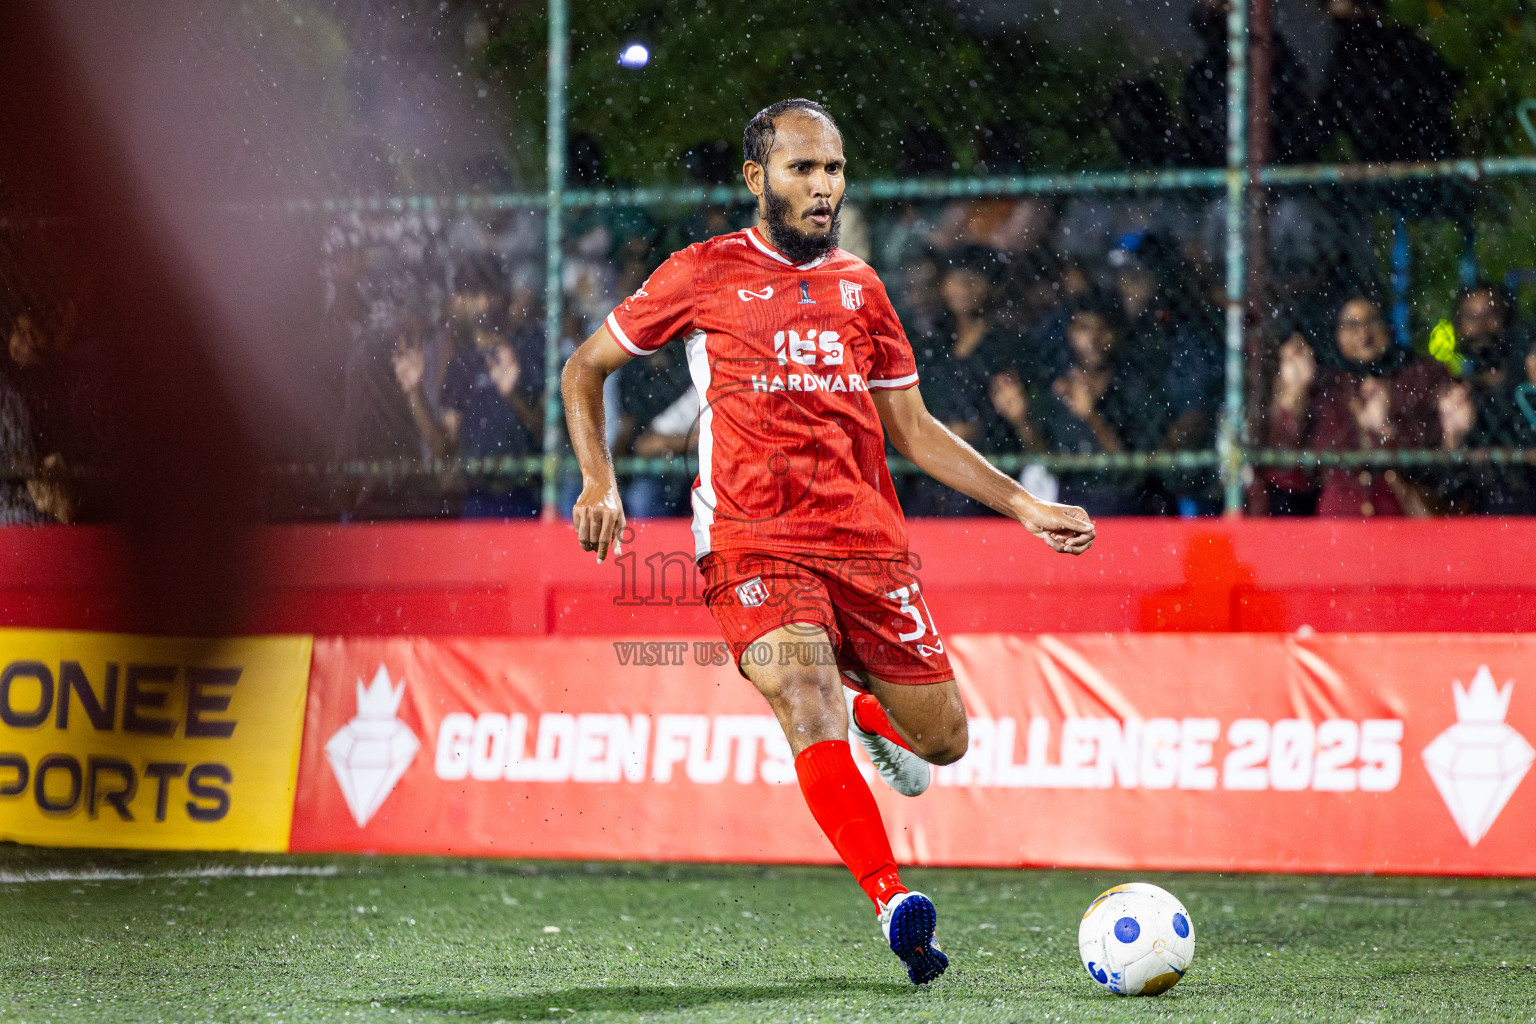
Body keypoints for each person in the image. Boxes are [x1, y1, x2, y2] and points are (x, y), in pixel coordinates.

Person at [561, 99, 1095, 985]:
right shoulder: (701, 273)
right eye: (803, 169)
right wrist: (598, 479)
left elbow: (915, 433)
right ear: (756, 179)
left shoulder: (863, 288)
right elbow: (585, 367)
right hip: (752, 543)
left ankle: (879, 717)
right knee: (804, 691)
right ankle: (894, 902)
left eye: (834, 170)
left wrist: (1023, 507)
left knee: (946, 743)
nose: (822, 187)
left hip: (867, 546)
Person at [1264, 294, 1447, 516]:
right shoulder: (1325, 388)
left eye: (1372, 321)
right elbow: (1287, 477)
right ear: (1335, 332)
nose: (1363, 334)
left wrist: (1385, 431)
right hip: (1340, 524)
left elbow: (1435, 464)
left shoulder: (1418, 378)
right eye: (1350, 324)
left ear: (1388, 325)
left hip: (1400, 524)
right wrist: (1294, 397)